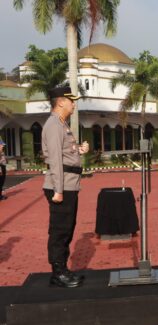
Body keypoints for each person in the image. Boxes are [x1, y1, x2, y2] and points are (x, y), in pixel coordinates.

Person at [42, 86, 89, 288]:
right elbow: (55, 160)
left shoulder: (62, 124)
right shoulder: (54, 125)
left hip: (69, 185)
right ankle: (58, 272)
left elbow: (64, 153)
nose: (74, 104)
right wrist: (58, 190)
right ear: (60, 102)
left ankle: (62, 269)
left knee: (67, 228)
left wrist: (79, 150)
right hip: (61, 186)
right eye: (71, 101)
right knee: (60, 230)